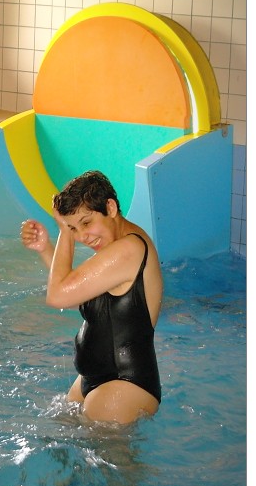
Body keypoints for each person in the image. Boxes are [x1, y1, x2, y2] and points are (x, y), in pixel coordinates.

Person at [20, 171, 163, 424]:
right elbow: (76, 295)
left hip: (123, 384)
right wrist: (46, 250)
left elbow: (58, 296)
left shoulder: (129, 249)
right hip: (96, 380)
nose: (82, 236)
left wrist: (64, 231)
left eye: (86, 223)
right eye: (74, 228)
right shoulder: (114, 249)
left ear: (110, 208)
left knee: (104, 452)